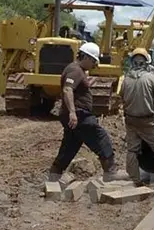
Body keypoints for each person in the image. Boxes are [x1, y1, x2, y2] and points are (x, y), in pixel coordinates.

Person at [47, 42, 126, 182]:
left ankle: (54, 175)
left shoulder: (76, 69)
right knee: (101, 137)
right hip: (79, 114)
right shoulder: (75, 70)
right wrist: (72, 112)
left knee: (70, 145)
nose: (94, 65)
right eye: (94, 62)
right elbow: (67, 89)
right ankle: (110, 171)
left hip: (75, 114)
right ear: (87, 58)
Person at [120, 48, 154, 188]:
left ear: (132, 62)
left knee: (132, 150)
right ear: (147, 63)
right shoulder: (151, 78)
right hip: (148, 121)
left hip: (130, 120)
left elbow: (121, 98)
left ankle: (134, 180)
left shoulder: (126, 79)